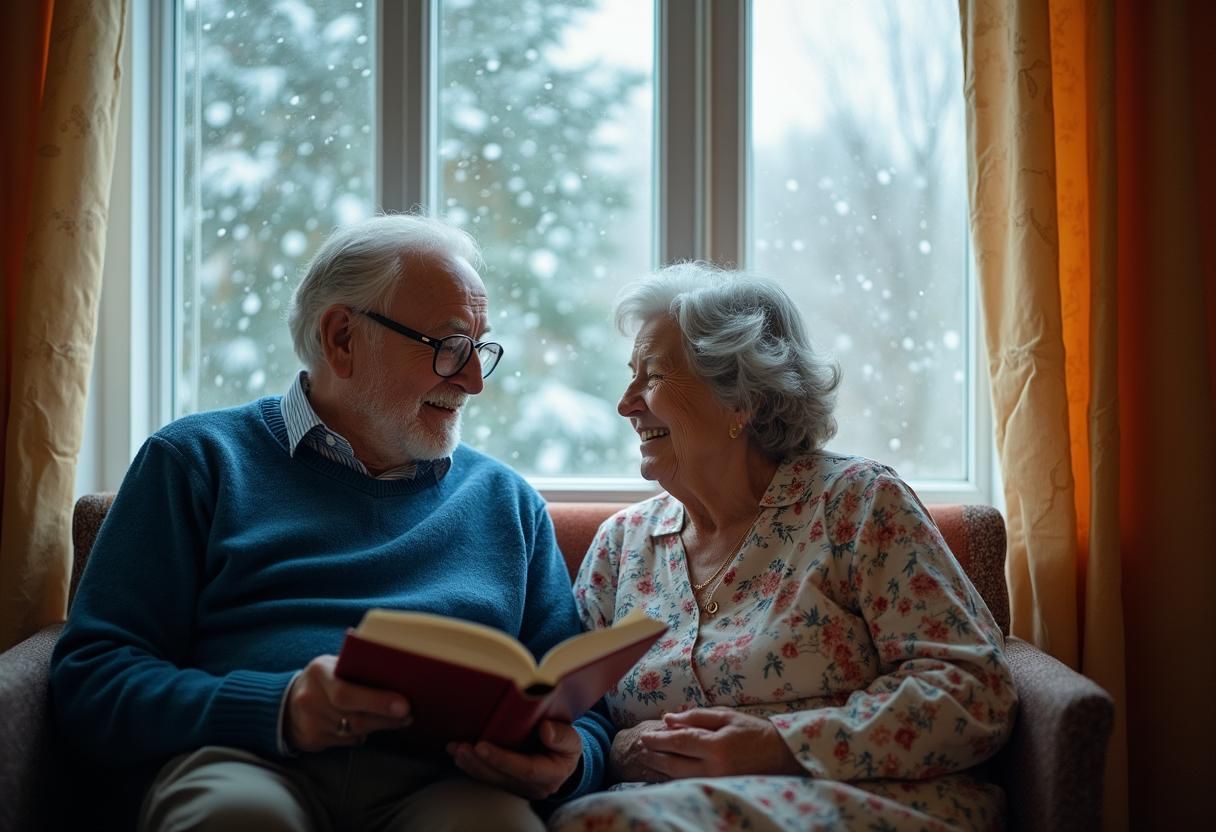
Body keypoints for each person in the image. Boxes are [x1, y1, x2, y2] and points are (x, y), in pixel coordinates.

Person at [50, 214, 612, 831]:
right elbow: (91, 679)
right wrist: (277, 708)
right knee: (239, 818)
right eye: (450, 347)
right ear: (343, 337)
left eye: (480, 349)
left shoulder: (505, 501)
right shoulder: (196, 461)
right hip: (248, 759)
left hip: (448, 783)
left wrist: (573, 759)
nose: (473, 381)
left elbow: (581, 704)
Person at [548, 263, 1018, 832]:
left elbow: (972, 692)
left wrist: (780, 744)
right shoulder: (623, 545)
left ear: (741, 401)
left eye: (653, 376)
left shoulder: (857, 503)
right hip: (649, 810)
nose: (626, 403)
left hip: (860, 804)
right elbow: (579, 713)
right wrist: (622, 750)